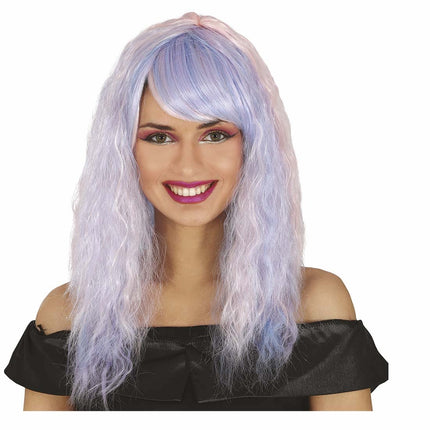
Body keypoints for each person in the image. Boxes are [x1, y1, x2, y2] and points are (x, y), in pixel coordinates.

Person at [4, 12, 388, 411]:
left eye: (215, 134)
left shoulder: (313, 308)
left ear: (252, 146)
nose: (188, 167)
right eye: (159, 137)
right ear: (124, 151)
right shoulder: (70, 317)